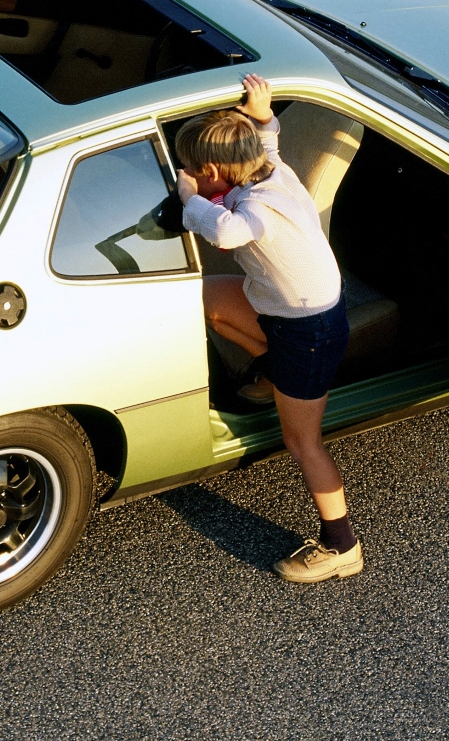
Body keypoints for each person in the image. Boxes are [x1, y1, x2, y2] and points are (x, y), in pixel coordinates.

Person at [175, 75, 360, 583]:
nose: (187, 175)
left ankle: (341, 545)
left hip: (309, 331)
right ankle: (272, 370)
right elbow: (271, 138)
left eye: (193, 170)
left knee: (304, 443)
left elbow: (231, 233)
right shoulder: (270, 168)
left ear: (213, 171)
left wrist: (189, 198)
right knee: (207, 299)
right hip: (287, 312)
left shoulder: (255, 207)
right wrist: (262, 113)